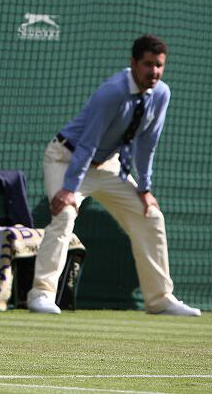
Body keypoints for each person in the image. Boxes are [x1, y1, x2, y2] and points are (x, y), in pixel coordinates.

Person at [27, 35, 200, 317]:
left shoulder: (161, 94)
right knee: (65, 215)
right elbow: (88, 143)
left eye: (159, 66)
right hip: (67, 158)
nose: (153, 72)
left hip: (108, 166)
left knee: (152, 216)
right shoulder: (113, 92)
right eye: (147, 65)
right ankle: (42, 294)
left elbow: (147, 143)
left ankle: (159, 299)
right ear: (133, 63)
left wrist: (144, 188)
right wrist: (69, 188)